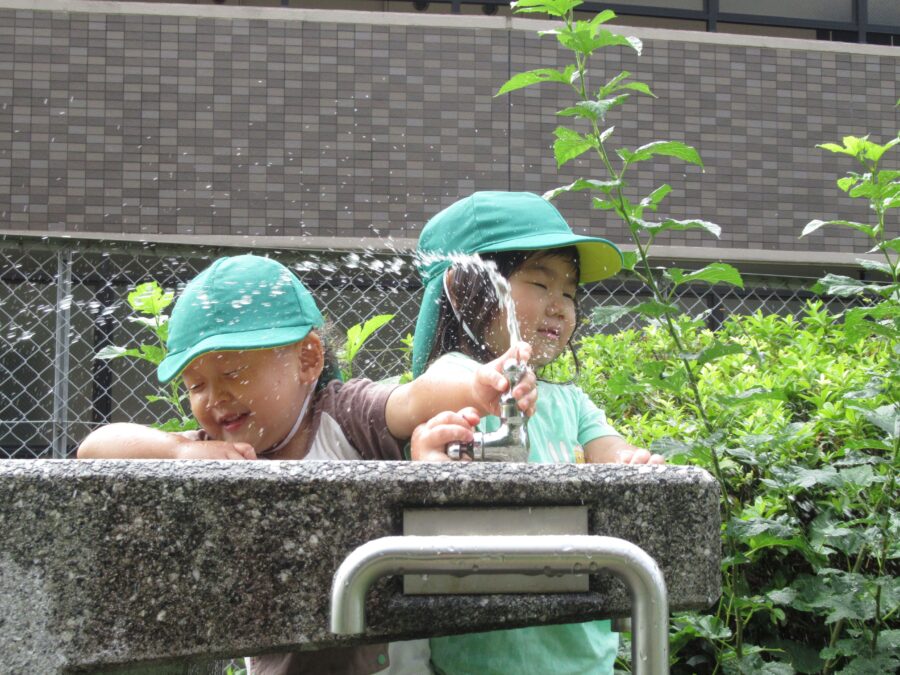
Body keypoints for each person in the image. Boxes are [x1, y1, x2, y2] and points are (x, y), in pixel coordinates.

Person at [78, 253, 537, 675]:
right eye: (196, 385)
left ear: (308, 359)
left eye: (233, 373)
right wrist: (179, 451)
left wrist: (475, 387)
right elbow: (94, 448)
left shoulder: (346, 416)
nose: (215, 398)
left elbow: (414, 397)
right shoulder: (215, 453)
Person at [407, 191, 664, 675]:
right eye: (541, 283)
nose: (560, 307)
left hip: (586, 661)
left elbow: (610, 449)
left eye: (569, 293)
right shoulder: (456, 381)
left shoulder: (571, 402)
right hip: (479, 661)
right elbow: (430, 397)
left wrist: (630, 460)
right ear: (465, 289)